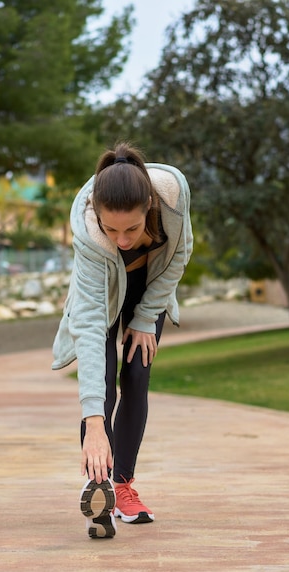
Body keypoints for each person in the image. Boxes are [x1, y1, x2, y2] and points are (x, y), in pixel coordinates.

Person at [52, 141, 193, 538]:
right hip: (103, 299)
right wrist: (93, 420)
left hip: (149, 295)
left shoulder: (172, 198)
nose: (123, 239)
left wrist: (147, 317)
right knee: (104, 390)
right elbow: (91, 327)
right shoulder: (89, 238)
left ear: (148, 205)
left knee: (136, 378)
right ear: (96, 216)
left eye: (131, 228)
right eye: (111, 229)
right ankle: (100, 489)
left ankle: (123, 484)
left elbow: (180, 255)